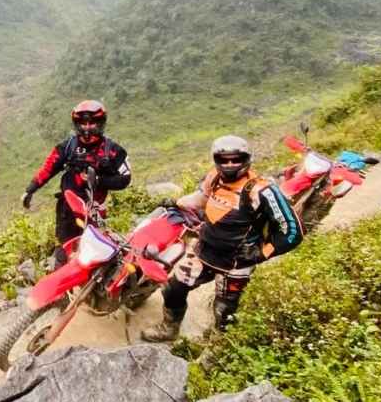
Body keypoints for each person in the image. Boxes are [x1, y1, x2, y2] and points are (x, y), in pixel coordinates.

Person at [141, 135, 303, 342]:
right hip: (204, 250)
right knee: (174, 289)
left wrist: (261, 253)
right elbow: (202, 198)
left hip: (237, 262)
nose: (230, 164)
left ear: (247, 159)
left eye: (236, 159)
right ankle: (169, 328)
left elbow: (292, 231)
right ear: (216, 160)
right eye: (223, 159)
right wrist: (177, 202)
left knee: (224, 310)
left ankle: (217, 347)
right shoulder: (214, 177)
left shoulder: (261, 190)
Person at [21, 100, 131, 266]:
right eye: (83, 123)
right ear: (77, 124)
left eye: (92, 123)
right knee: (66, 249)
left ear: (100, 123)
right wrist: (30, 189)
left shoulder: (113, 150)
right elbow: (49, 168)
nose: (87, 128)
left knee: (94, 252)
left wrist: (99, 181)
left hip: (93, 210)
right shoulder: (68, 147)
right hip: (67, 209)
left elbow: (125, 178)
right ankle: (62, 279)